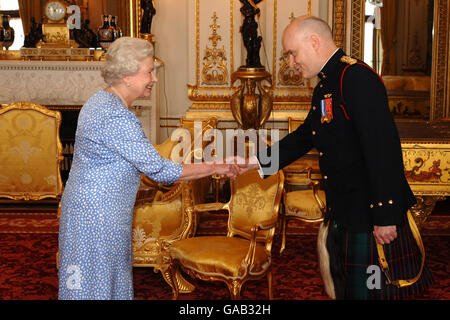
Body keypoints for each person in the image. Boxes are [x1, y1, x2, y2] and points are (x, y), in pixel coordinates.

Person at [247, 16, 433, 299]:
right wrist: (258, 163)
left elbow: (382, 149)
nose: (291, 62)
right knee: (348, 292)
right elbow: (305, 136)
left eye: (291, 53)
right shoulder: (326, 86)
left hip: (370, 219)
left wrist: (385, 215)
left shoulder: (356, 78)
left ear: (314, 42)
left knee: (373, 294)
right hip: (345, 213)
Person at [58, 37, 244, 300]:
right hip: (97, 218)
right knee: (93, 289)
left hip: (91, 212)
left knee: (94, 286)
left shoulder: (100, 102)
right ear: (126, 75)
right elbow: (161, 171)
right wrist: (219, 166)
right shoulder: (116, 116)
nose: (154, 79)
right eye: (149, 71)